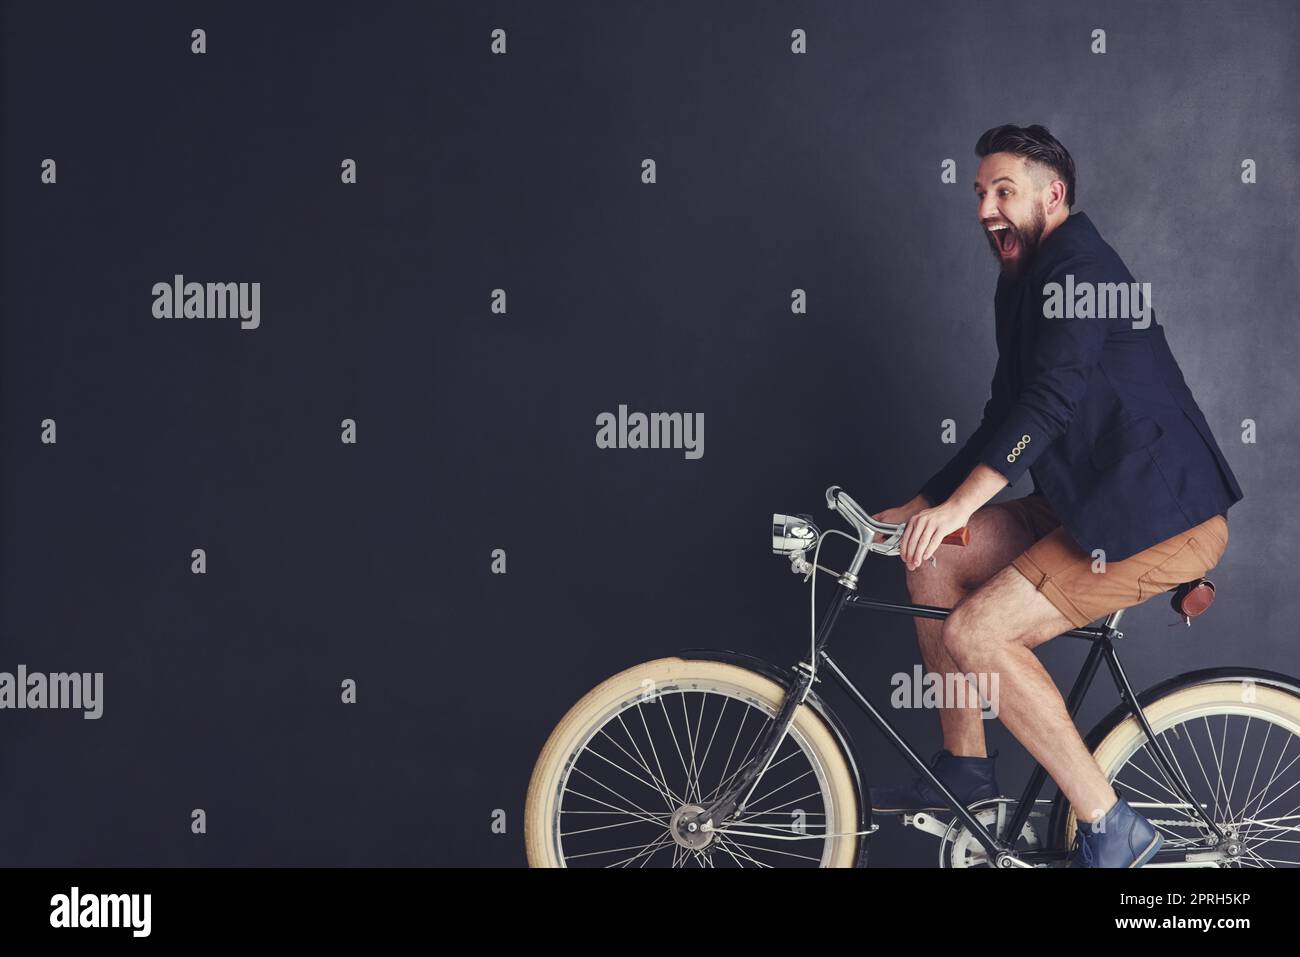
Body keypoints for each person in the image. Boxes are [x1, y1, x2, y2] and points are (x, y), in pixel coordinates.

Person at [868, 124, 1244, 867]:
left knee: (978, 632)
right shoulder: (1022, 278)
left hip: (1157, 515)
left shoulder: (1080, 267)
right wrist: (925, 506)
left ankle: (1111, 825)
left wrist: (964, 502)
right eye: (979, 194)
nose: (985, 209)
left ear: (1054, 194)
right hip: (1094, 502)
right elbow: (1003, 416)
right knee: (935, 556)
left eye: (1003, 190)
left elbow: (1048, 407)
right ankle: (968, 769)